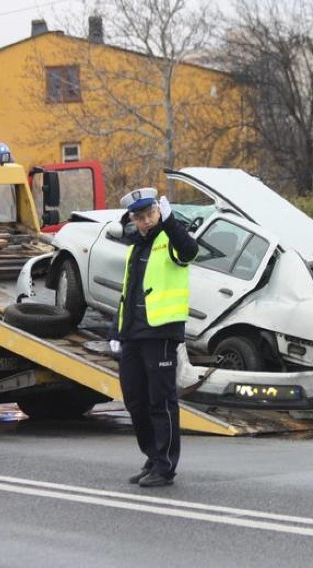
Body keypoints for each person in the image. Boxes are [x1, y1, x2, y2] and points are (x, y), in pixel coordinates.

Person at [109, 186, 198, 487]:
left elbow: (189, 251)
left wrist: (171, 223)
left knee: (161, 401)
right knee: (135, 399)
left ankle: (165, 466)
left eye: (150, 215)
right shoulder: (136, 246)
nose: (145, 221)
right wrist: (116, 331)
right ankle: (152, 456)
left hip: (160, 331)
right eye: (140, 217)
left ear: (159, 212)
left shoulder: (169, 238)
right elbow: (127, 293)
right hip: (133, 333)